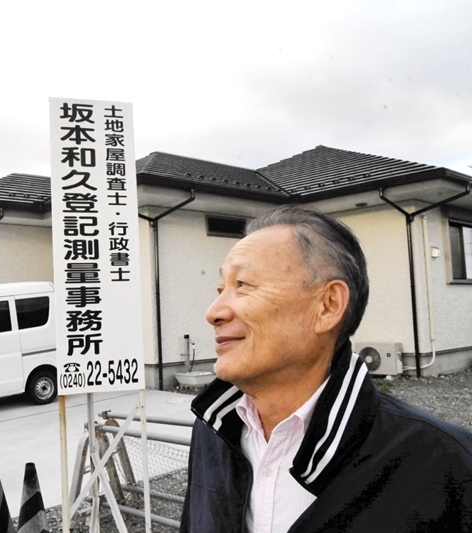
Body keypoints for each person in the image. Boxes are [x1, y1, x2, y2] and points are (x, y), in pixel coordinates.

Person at [180, 205, 472, 532]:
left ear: (328, 306)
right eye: (221, 289)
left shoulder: (443, 463)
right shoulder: (213, 429)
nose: (214, 312)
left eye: (244, 284)